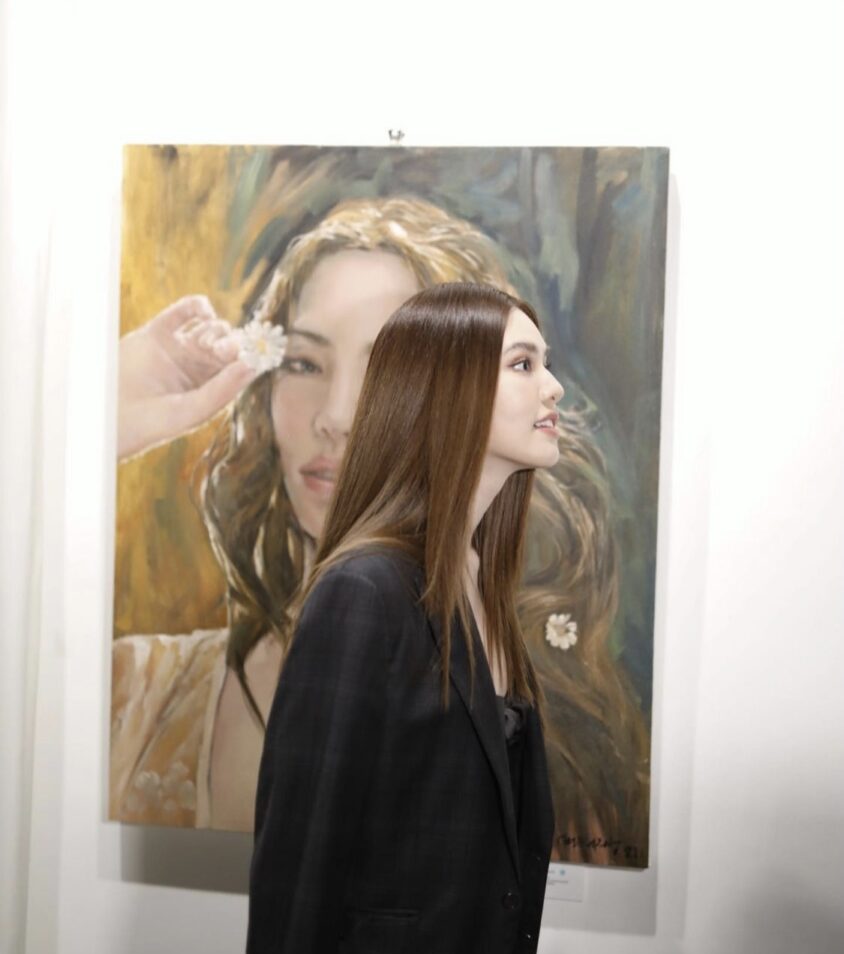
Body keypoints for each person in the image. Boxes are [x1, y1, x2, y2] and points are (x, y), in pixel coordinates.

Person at [111, 194, 648, 864]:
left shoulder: (538, 717)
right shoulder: (136, 694)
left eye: (388, 369)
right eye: (303, 363)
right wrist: (112, 410)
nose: (335, 417)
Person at [230, 281, 562, 954]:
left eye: (544, 364)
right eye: (523, 364)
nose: (553, 386)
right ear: (447, 387)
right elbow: (300, 876)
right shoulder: (364, 592)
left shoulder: (483, 586)